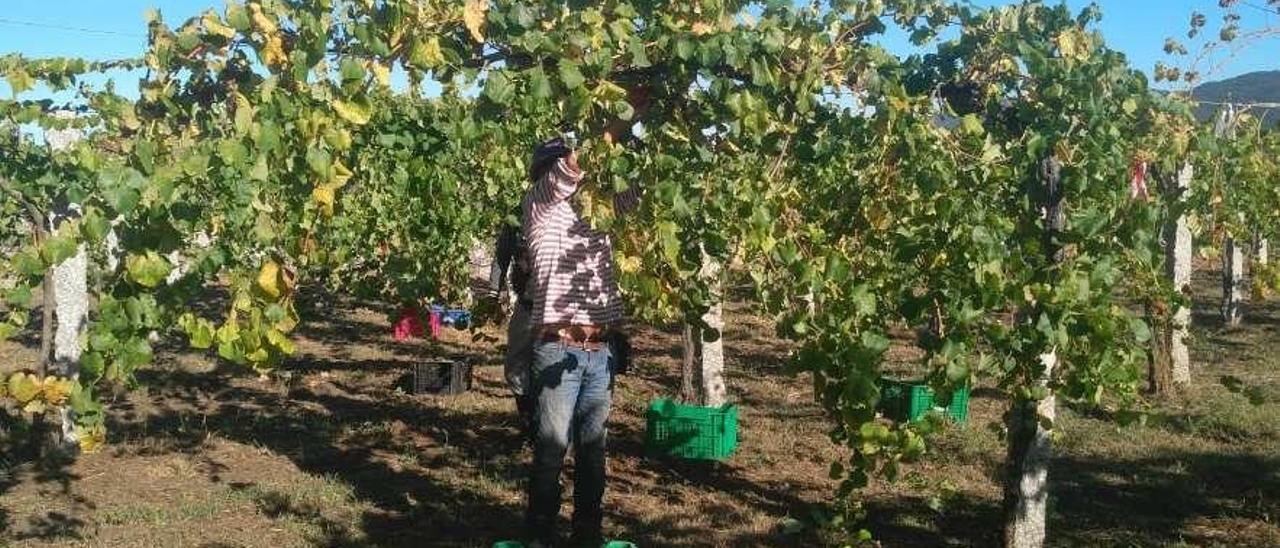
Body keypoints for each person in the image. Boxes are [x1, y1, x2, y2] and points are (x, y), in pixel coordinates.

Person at [521, 135, 638, 547]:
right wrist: (613, 127)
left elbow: (635, 196)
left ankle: (587, 533)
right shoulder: (539, 206)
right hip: (557, 349)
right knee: (552, 450)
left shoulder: (598, 212)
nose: (573, 175)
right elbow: (565, 175)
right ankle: (540, 534)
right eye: (562, 167)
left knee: (593, 453)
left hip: (600, 353)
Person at [489, 204, 536, 444]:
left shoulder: (577, 209)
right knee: (516, 368)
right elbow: (502, 254)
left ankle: (551, 433)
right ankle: (530, 425)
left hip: (563, 312)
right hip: (528, 306)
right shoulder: (519, 214)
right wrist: (494, 292)